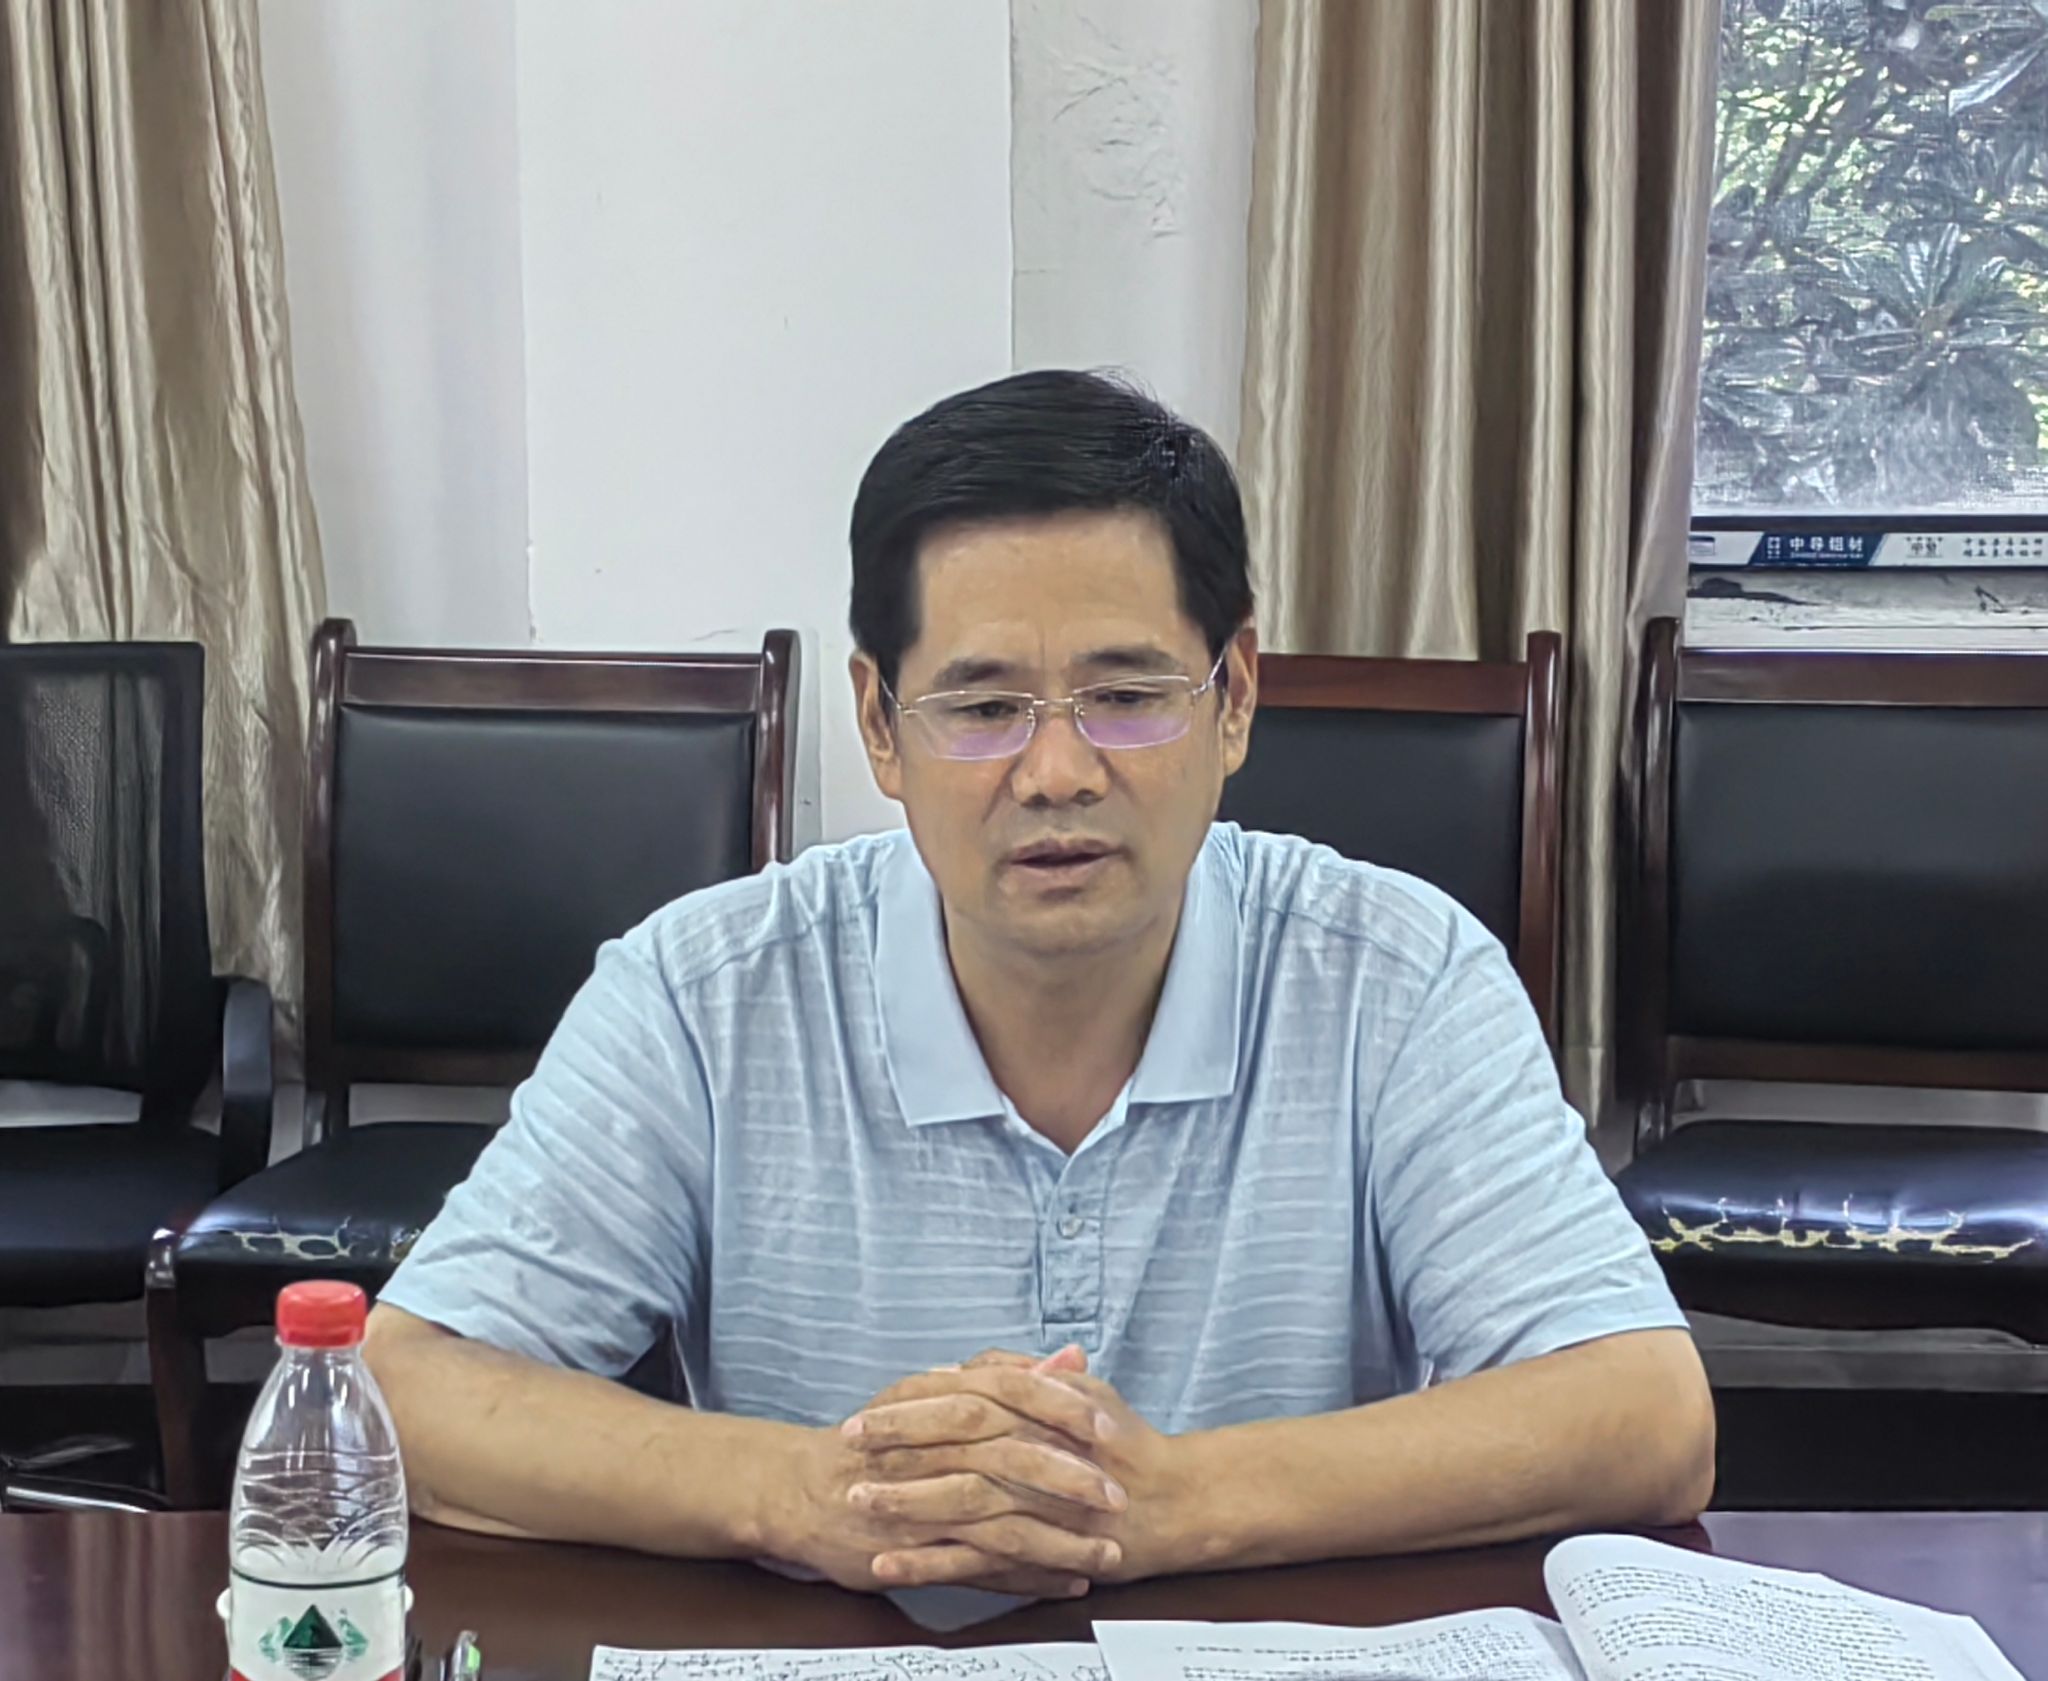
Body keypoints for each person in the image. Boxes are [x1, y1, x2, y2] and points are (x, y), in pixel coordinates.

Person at [366, 370, 1714, 1600]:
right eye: (983, 707)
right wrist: (805, 1491)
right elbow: (409, 1388)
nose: (1058, 772)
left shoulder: (1398, 976)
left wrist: (1176, 1501)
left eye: (1128, 694)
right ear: (880, 725)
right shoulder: (702, 993)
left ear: (1236, 697)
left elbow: (1644, 1413)